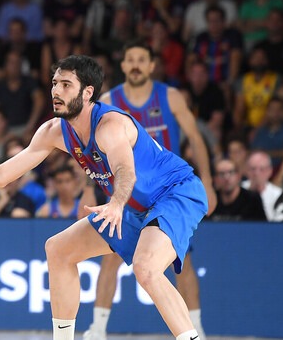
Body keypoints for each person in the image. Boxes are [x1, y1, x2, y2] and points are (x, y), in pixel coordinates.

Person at [0, 54, 213, 340]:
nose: (56, 91)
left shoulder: (110, 125)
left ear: (88, 92)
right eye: (55, 83)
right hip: (132, 204)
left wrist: (116, 204)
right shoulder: (53, 132)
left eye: (66, 85)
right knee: (58, 250)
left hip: (175, 193)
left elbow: (125, 171)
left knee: (146, 267)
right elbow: (1, 175)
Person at [83, 42, 216, 340]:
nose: (135, 65)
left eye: (141, 60)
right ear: (123, 64)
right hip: (125, 189)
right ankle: (98, 330)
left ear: (152, 65)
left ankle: (197, 329)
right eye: (130, 59)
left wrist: (207, 179)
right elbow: (90, 151)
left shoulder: (170, 96)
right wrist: (87, 189)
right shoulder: (108, 100)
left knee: (184, 261)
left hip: (167, 192)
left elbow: (195, 137)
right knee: (110, 255)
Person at [242, 151, 283, 222]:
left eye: (262, 169)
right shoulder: (238, 191)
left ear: (270, 171)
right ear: (247, 170)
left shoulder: (279, 195)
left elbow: (279, 223)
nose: (257, 173)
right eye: (253, 169)